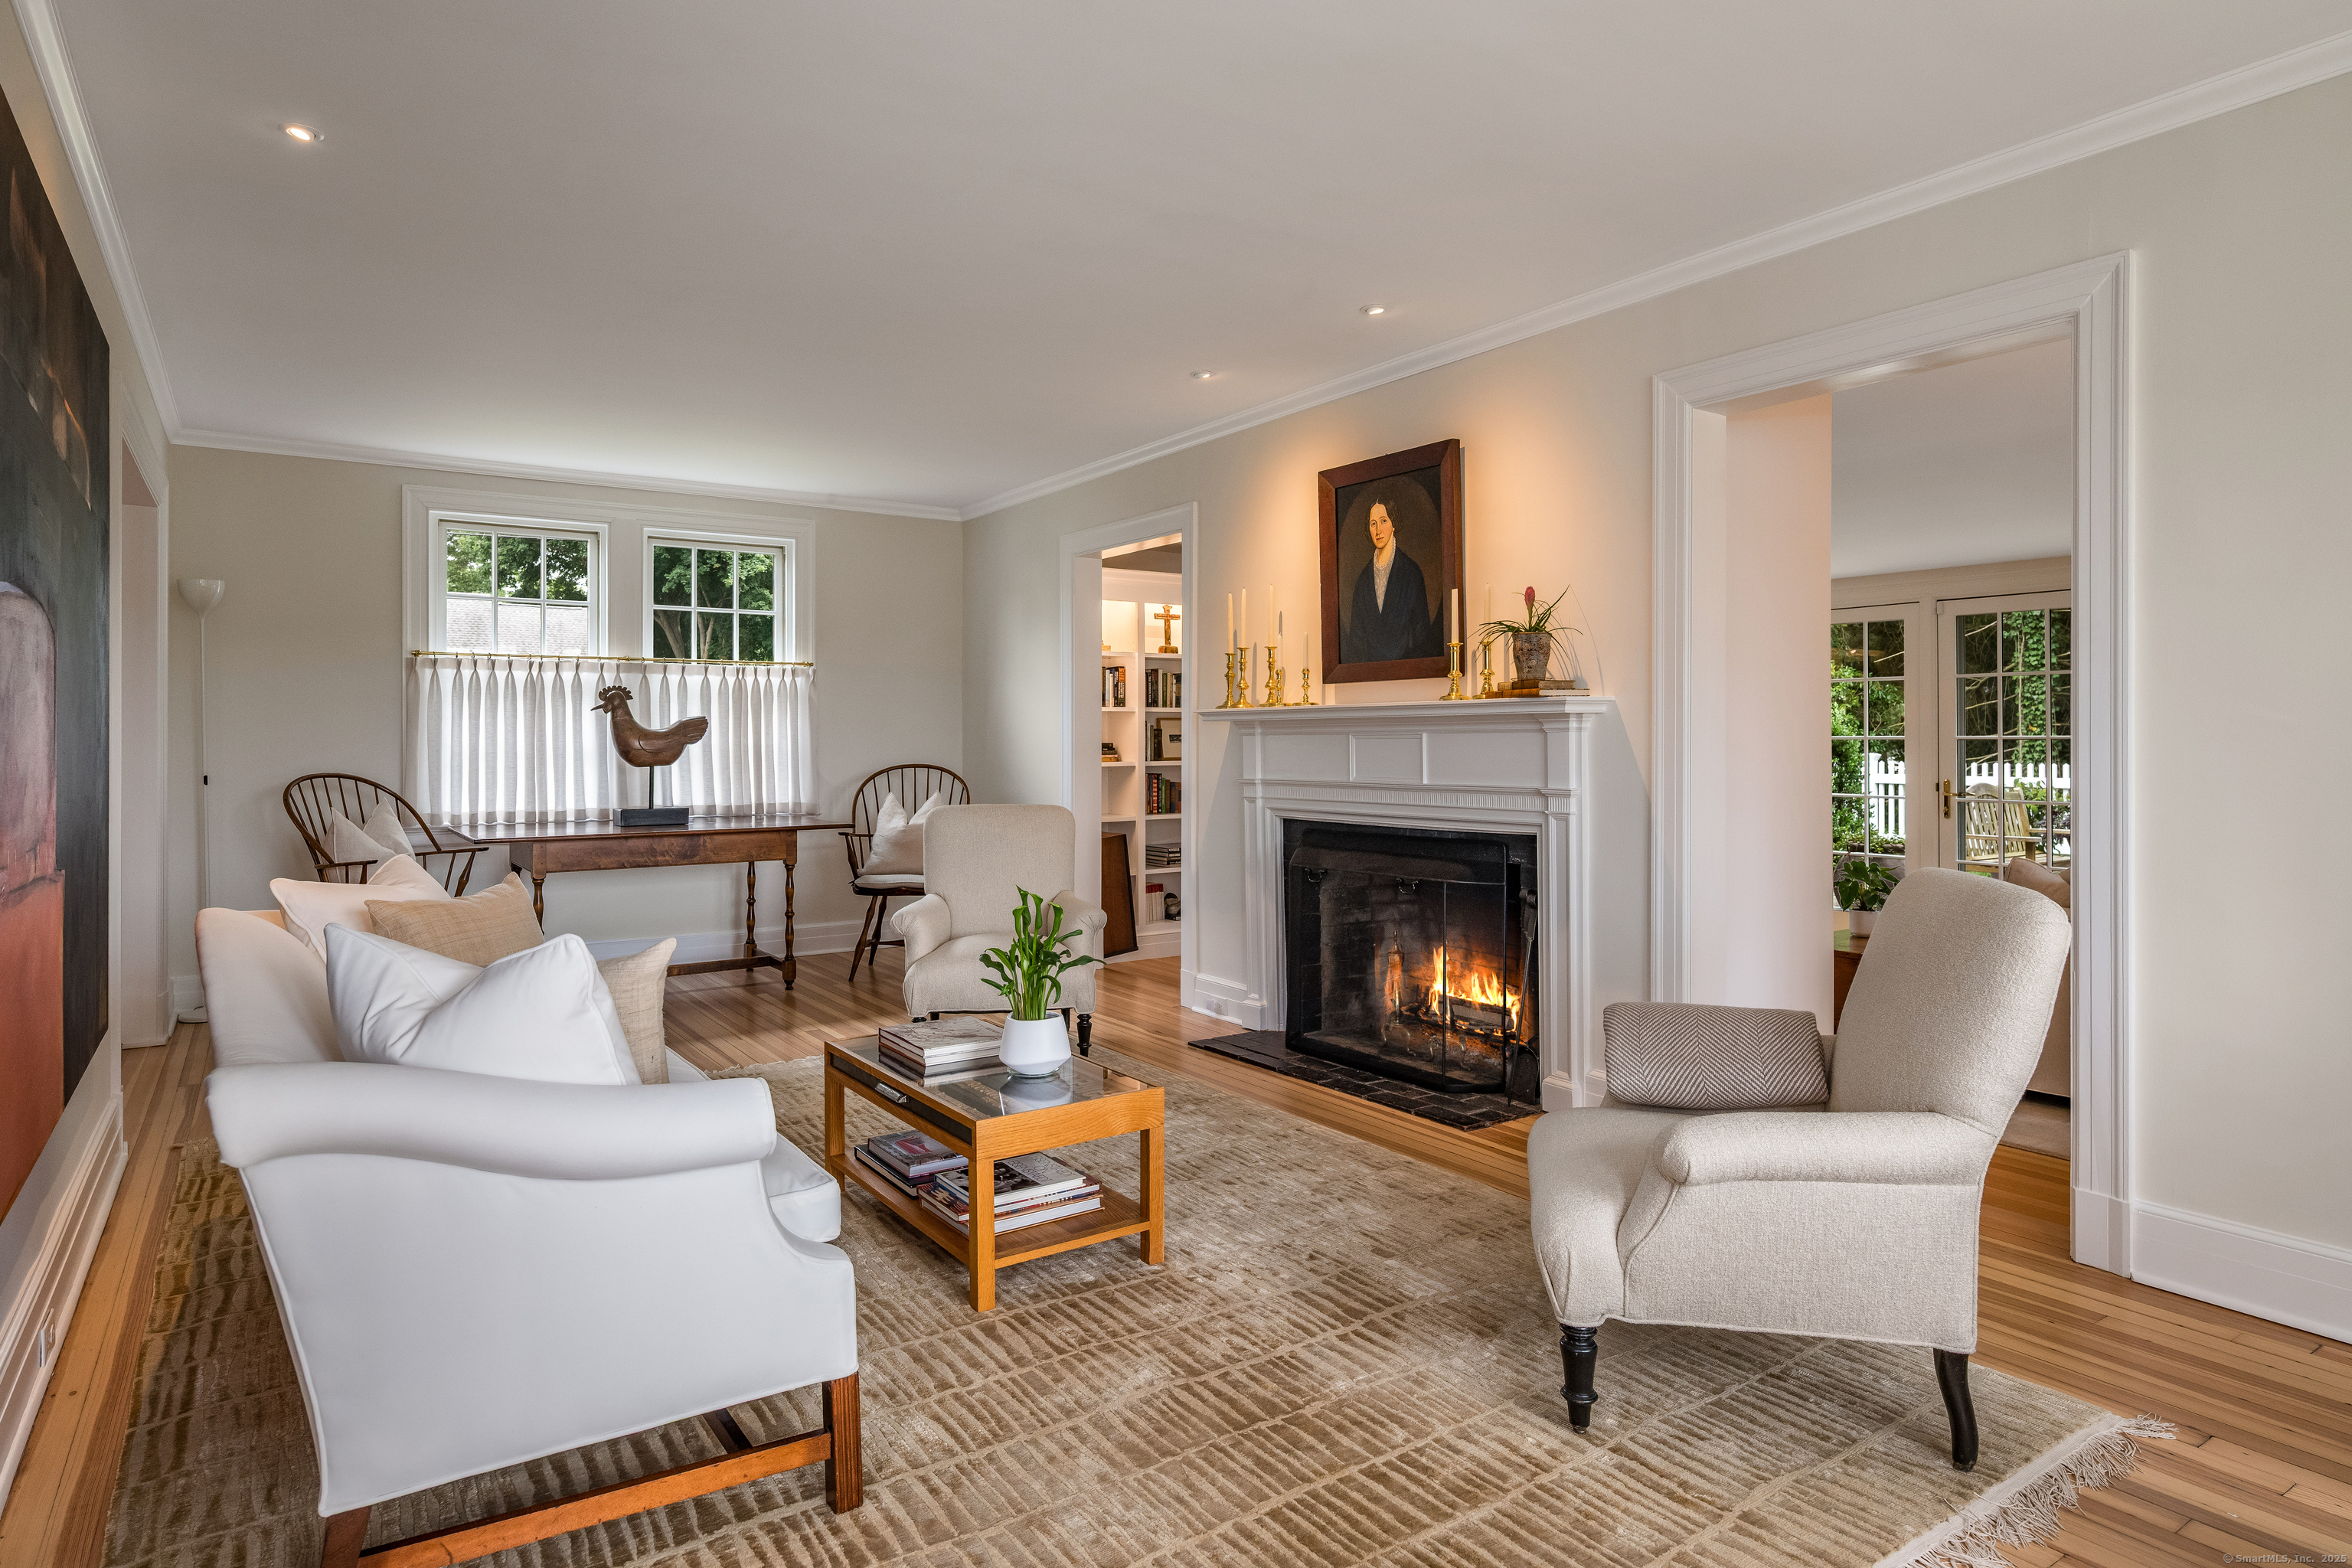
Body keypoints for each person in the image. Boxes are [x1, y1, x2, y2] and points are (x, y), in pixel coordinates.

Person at [1342, 501, 1441, 663]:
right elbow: (1356, 643)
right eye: (1373, 524)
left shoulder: (1411, 573)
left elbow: (1421, 637)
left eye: (1383, 521)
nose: (1378, 530)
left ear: (1393, 523)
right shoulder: (1362, 582)